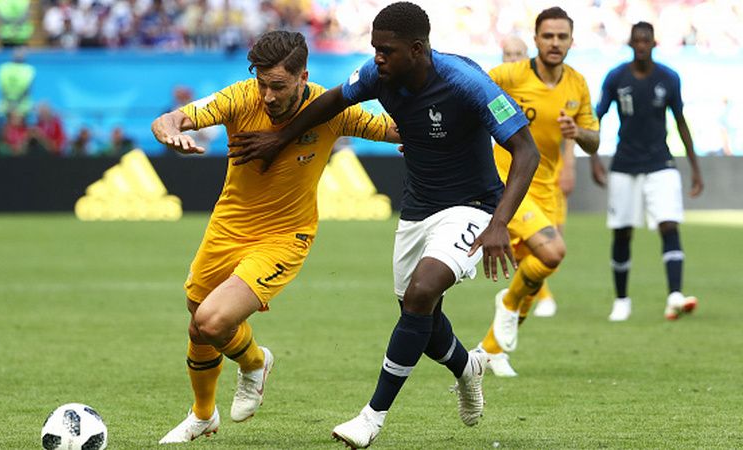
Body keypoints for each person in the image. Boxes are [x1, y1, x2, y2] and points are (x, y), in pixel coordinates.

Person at [226, 3, 540, 447]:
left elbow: (526, 152)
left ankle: (371, 418)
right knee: (420, 320)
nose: (376, 58)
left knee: (421, 294)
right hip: (417, 209)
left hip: (472, 206)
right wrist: (280, 137)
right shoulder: (378, 75)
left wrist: (498, 223)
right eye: (374, 48)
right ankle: (467, 367)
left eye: (386, 50)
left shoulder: (466, 83)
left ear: (416, 49)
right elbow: (331, 101)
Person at [150, 30, 399, 444]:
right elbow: (172, 119)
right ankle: (206, 412)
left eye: (277, 86)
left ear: (303, 76)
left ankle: (251, 366)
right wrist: (170, 133)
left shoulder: (331, 108)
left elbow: (391, 130)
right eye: (262, 83)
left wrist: (434, 136)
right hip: (227, 226)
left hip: (285, 235)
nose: (266, 95)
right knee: (198, 325)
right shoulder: (241, 98)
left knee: (213, 321)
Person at [476, 7, 600, 377]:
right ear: (536, 40)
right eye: (548, 36)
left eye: (562, 37)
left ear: (571, 41)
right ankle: (508, 305)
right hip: (507, 185)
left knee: (539, 270)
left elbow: (595, 140)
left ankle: (490, 351)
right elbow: (467, 94)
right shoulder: (510, 75)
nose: (555, 43)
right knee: (553, 251)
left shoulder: (576, 84)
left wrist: (578, 134)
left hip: (544, 188)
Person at [590, 22, 703, 322]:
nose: (641, 44)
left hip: (660, 163)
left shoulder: (669, 78)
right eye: (637, 40)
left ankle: (675, 295)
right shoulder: (616, 77)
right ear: (630, 43)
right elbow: (595, 118)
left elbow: (680, 121)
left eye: (646, 40)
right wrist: (594, 160)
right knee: (623, 231)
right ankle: (622, 301)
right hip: (624, 165)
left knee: (669, 224)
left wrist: (694, 168)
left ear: (654, 43)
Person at [498, 34, 570, 319]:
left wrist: (570, 166)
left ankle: (499, 341)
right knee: (545, 252)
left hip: (545, 183)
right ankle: (533, 301)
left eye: (519, 54)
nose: (514, 59)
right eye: (508, 54)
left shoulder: (550, 89)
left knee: (546, 252)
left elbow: (568, 130)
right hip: (509, 183)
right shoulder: (496, 91)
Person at [0, 49, 35, 117]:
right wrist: (12, 103)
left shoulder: (29, 69)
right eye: (17, 52)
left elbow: (28, 89)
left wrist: (14, 104)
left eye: (21, 52)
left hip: (22, 106)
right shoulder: (3, 68)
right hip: (7, 105)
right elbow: (1, 88)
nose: (19, 55)